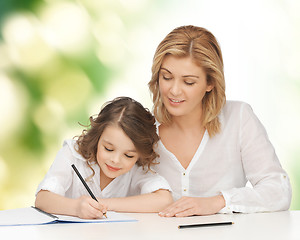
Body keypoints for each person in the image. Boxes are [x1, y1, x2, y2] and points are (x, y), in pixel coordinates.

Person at [148, 25, 292, 217]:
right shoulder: (144, 128)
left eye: (188, 82)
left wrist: (218, 202)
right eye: (166, 77)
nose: (174, 90)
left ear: (210, 83)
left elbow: (279, 190)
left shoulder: (239, 118)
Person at [35, 97, 173, 219]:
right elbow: (43, 199)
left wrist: (104, 204)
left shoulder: (137, 167)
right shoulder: (72, 154)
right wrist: (76, 207)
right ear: (97, 137)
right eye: (108, 149)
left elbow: (164, 200)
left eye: (128, 155)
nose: (116, 160)